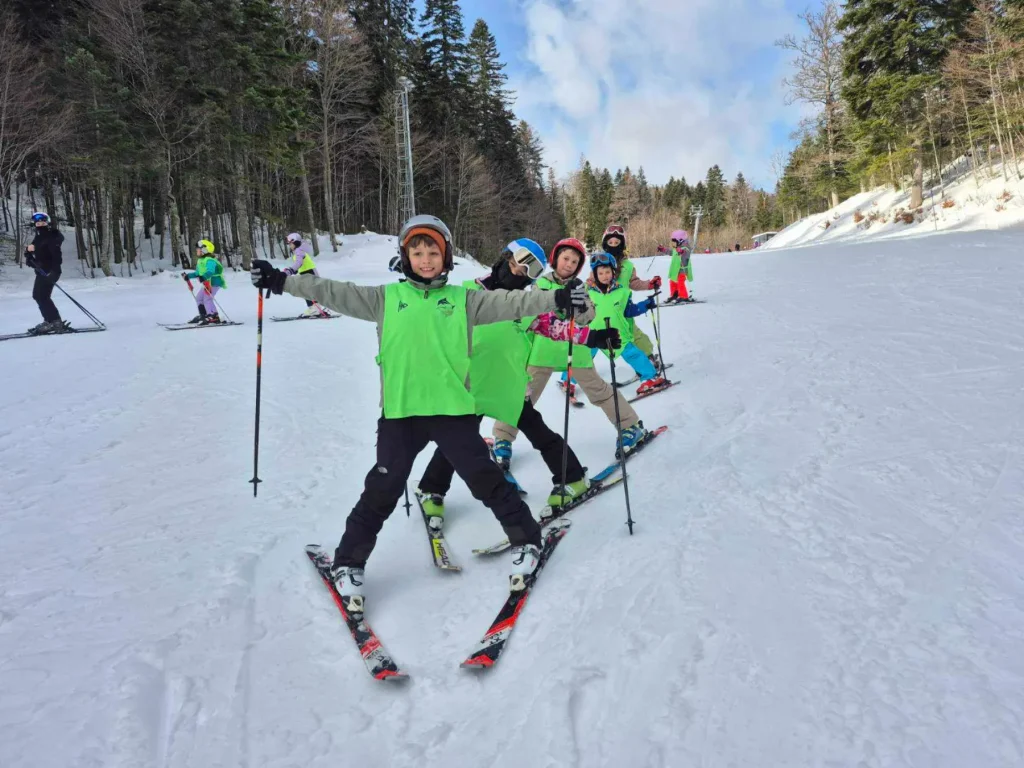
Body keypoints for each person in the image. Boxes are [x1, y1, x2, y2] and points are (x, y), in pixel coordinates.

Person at [249, 215, 591, 606]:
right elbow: (334, 291)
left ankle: (528, 540)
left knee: (485, 479)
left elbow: (513, 300)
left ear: (445, 257)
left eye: (433, 252)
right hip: (401, 414)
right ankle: (348, 562)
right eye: (417, 252)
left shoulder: (465, 300)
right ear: (405, 256)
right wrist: (282, 281)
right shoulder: (385, 299)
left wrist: (558, 297)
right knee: (382, 488)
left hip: (452, 411)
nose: (425, 260)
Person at [415, 238, 621, 527]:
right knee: (457, 441)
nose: (516, 274)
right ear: (503, 259)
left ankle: (573, 479)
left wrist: (594, 337)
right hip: (471, 384)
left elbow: (555, 327)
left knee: (539, 433)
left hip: (509, 383)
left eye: (525, 273)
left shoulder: (524, 302)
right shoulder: (467, 293)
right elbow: (434, 323)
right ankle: (431, 489)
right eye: (513, 265)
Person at [493, 237, 651, 468]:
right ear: (555, 259)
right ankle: (503, 437)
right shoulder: (541, 284)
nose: (569, 264)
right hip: (543, 350)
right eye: (565, 258)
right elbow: (531, 313)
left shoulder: (580, 286)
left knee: (598, 391)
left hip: (575, 348)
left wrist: (580, 306)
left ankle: (630, 425)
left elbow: (589, 317)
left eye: (575, 261)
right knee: (522, 396)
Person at [588, 252, 667, 396]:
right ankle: (568, 381)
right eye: (601, 273)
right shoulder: (588, 293)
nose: (605, 276)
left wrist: (645, 305)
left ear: (613, 272)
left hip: (619, 333)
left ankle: (650, 378)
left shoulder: (623, 292)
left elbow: (629, 310)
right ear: (595, 274)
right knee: (582, 356)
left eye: (608, 272)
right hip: (594, 333)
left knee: (634, 355)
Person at [599, 224, 662, 368]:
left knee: (634, 334)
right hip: (603, 309)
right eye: (610, 242)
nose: (614, 245)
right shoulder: (600, 263)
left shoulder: (628, 266)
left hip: (623, 308)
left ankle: (648, 358)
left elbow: (634, 283)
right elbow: (591, 283)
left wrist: (650, 284)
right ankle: (570, 376)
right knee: (591, 341)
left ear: (622, 244)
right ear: (605, 244)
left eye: (617, 242)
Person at [24, 212, 65, 334]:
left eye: (42, 222)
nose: (40, 224)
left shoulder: (51, 236)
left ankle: (54, 322)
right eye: (37, 223)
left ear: (47, 223)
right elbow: (33, 257)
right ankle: (51, 321)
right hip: (42, 272)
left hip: (50, 272)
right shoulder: (39, 237)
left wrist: (53, 271)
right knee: (38, 295)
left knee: (42, 296)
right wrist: (28, 253)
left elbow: (57, 257)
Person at [183, 240, 227, 324]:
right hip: (207, 283)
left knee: (207, 299)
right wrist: (188, 276)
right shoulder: (201, 261)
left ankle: (214, 316)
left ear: (205, 250)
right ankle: (203, 315)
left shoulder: (210, 260)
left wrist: (203, 277)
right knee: (199, 298)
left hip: (214, 282)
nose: (196, 250)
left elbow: (210, 272)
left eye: (198, 249)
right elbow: (197, 273)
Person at [284, 233, 323, 317]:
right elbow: (299, 264)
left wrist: (290, 270)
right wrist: (293, 270)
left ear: (296, 242)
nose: (290, 246)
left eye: (290, 244)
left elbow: (299, 262)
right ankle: (314, 308)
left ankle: (314, 308)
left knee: (307, 290)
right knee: (305, 290)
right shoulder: (298, 251)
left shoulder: (299, 251)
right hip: (306, 273)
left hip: (309, 273)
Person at [667, 230, 695, 303]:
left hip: (682, 269)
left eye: (675, 241)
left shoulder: (686, 247)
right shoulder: (677, 248)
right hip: (675, 269)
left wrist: (682, 252)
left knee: (680, 282)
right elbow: (671, 252)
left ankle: (683, 296)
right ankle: (675, 294)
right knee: (672, 281)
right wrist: (663, 249)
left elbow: (687, 253)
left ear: (680, 240)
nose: (674, 243)